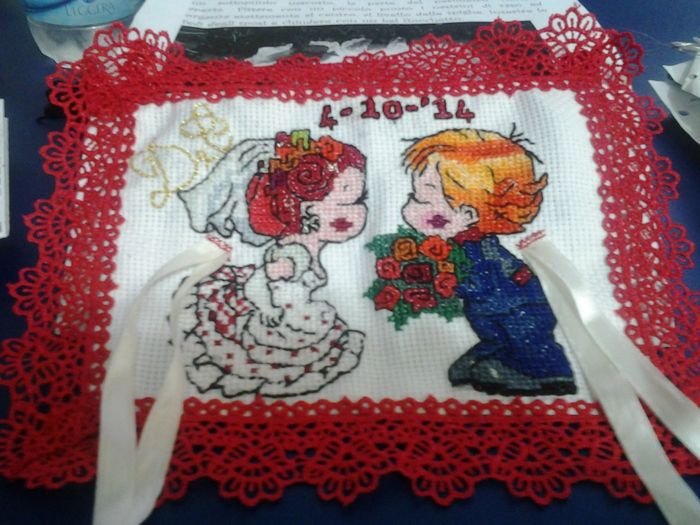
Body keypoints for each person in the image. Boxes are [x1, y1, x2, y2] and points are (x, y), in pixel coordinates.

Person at [176, 130, 368, 397]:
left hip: (295, 316)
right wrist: (267, 308)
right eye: (347, 202)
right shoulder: (293, 255)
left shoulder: (304, 251)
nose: (359, 213)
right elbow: (259, 282)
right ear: (301, 211)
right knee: (276, 365)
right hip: (278, 322)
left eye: (360, 200)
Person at [401, 128, 577, 396]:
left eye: (421, 200)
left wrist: (446, 284)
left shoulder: (477, 250)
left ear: (468, 215)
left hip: (522, 308)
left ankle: (551, 374)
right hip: (494, 311)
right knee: (497, 336)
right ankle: (490, 357)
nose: (409, 209)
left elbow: (479, 280)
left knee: (528, 342)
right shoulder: (456, 245)